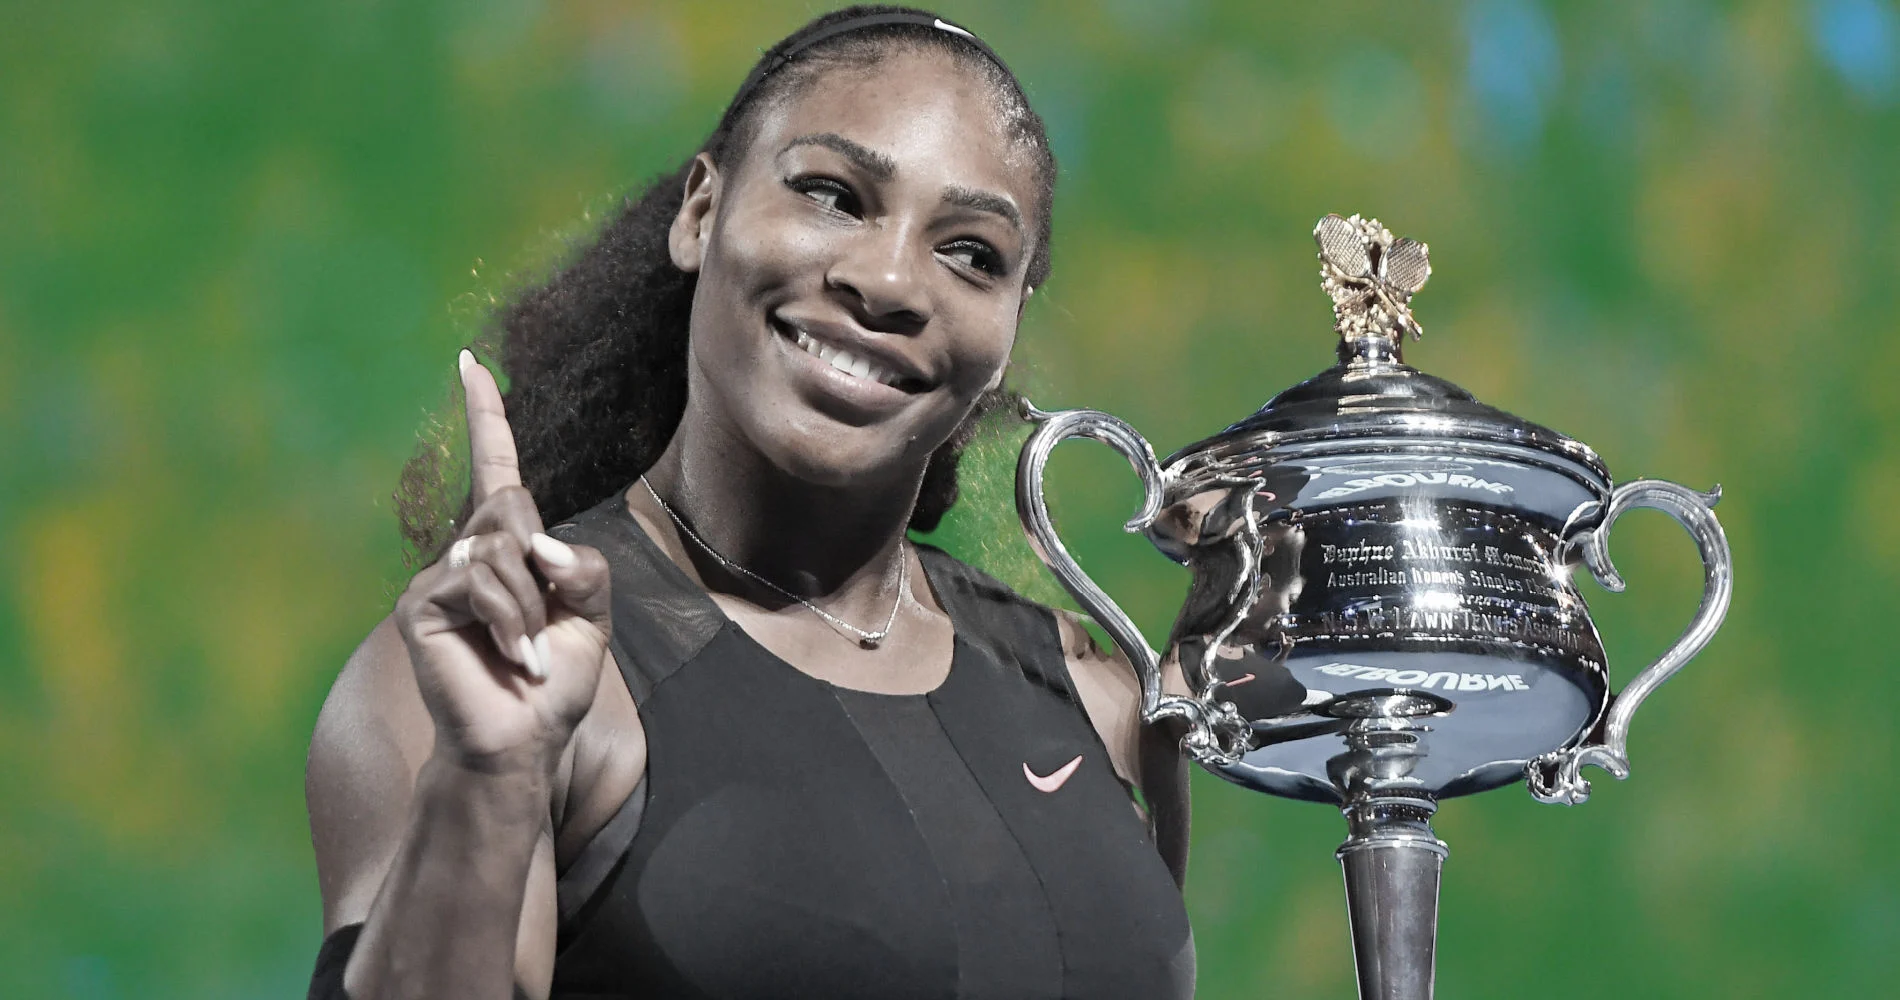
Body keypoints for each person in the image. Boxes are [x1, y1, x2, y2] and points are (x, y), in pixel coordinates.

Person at [305, 8, 1194, 999]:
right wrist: (487, 778)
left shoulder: (1091, 694)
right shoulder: (495, 677)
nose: (890, 279)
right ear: (700, 211)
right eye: (832, 193)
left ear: (1011, 318)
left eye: (973, 253)